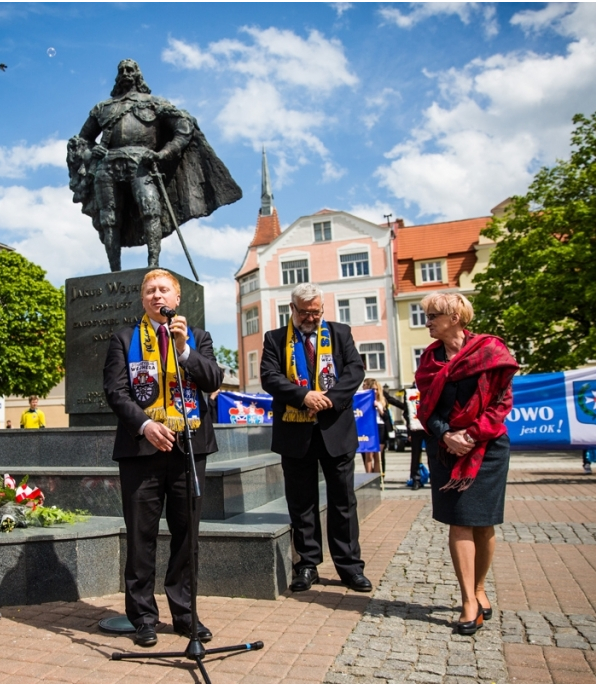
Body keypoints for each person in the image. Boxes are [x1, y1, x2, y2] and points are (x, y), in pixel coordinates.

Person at [103, 269, 223, 648]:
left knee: (187, 535)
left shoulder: (198, 337)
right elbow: (115, 391)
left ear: (177, 298)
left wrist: (185, 349)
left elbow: (213, 379)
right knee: (141, 536)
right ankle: (143, 617)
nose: (158, 296)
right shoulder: (124, 339)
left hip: (189, 448)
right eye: (150, 291)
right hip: (142, 451)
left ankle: (186, 615)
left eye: (164, 290)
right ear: (143, 300)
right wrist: (144, 425)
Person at [68, 60, 240, 271]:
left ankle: (153, 267)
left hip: (142, 163)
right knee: (109, 219)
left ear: (138, 74)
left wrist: (162, 154)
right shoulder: (103, 108)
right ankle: (114, 272)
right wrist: (90, 152)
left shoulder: (154, 103)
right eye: (121, 70)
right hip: (108, 165)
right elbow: (82, 140)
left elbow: (184, 128)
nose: (125, 73)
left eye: (130, 70)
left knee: (150, 210)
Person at [414, 292, 518, 635]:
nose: (426, 321)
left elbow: (501, 402)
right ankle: (468, 602)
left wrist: (471, 436)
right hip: (445, 448)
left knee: (483, 524)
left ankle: (479, 588)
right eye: (426, 315)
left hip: (487, 447)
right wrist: (447, 436)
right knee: (459, 521)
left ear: (455, 318)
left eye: (432, 316)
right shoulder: (429, 359)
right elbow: (425, 409)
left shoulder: (490, 350)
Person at [260, 283, 372, 594]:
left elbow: (354, 370)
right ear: (292, 310)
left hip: (335, 429)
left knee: (343, 501)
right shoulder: (275, 339)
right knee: (301, 502)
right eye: (305, 312)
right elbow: (270, 377)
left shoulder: (340, 333)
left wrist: (329, 398)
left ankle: (350, 566)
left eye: (316, 312)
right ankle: (306, 564)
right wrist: (303, 396)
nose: (311, 317)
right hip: (295, 433)